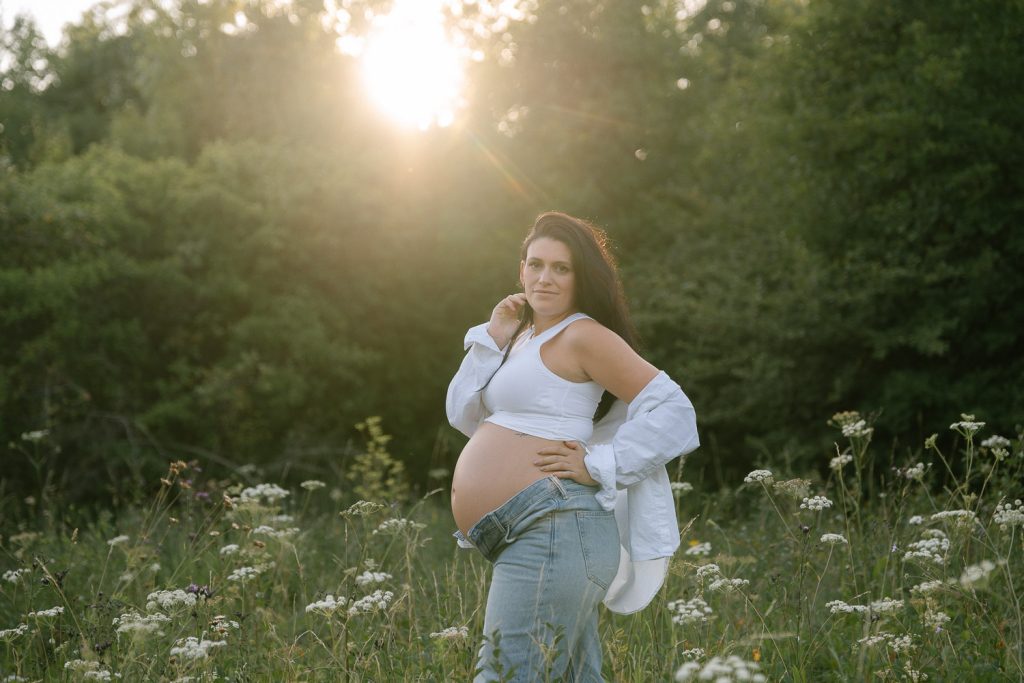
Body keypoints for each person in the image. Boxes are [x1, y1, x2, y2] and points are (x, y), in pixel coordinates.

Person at [446, 211, 699, 682]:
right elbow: (465, 415)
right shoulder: (520, 339)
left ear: (582, 278)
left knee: (504, 674)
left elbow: (675, 413)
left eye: (561, 268)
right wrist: (492, 339)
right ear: (520, 269)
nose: (545, 278)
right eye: (535, 264)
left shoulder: (583, 335)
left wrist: (601, 463)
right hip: (531, 529)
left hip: (555, 525)